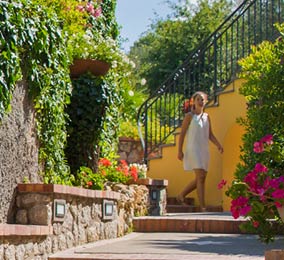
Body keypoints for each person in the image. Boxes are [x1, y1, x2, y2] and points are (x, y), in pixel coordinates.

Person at [177, 91, 223, 211]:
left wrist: (218, 145)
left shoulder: (207, 117)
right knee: (201, 177)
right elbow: (182, 134)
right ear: (193, 101)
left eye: (202, 99)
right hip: (193, 149)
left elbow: (210, 134)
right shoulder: (189, 116)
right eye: (198, 99)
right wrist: (179, 151)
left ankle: (181, 195)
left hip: (203, 150)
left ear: (205, 101)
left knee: (201, 178)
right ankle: (203, 207)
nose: (200, 101)